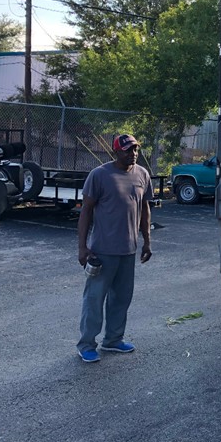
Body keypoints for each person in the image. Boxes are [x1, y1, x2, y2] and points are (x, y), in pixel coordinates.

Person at [76, 133, 153, 363]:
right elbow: (86, 211)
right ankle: (87, 344)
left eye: (136, 149)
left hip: (128, 250)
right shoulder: (99, 175)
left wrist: (147, 241)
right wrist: (83, 247)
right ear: (116, 152)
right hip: (103, 251)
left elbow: (145, 209)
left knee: (121, 298)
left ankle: (113, 340)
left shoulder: (142, 174)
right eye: (128, 150)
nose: (133, 153)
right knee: (94, 299)